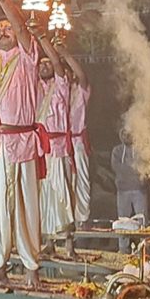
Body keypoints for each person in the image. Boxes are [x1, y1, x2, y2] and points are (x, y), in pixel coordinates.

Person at [0, 0, 45, 290]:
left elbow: (22, 28)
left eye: (6, 28)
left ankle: (32, 265)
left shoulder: (27, 54)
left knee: (25, 207)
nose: (2, 33)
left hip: (23, 141)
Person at [37, 42, 76, 257]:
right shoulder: (34, 87)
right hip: (43, 151)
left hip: (59, 150)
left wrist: (49, 46)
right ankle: (50, 244)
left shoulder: (61, 86)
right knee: (45, 199)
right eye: (41, 64)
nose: (44, 67)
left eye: (47, 64)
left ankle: (69, 245)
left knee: (63, 197)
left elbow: (59, 67)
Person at [61, 47, 91, 225]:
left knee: (82, 181)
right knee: (64, 181)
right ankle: (66, 220)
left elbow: (82, 76)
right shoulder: (56, 92)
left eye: (68, 73)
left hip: (78, 142)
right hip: (61, 144)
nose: (65, 76)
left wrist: (65, 54)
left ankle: (82, 219)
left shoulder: (80, 91)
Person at [111, 131, 149, 247]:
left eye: (128, 133)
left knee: (143, 221)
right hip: (123, 191)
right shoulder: (117, 151)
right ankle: (123, 251)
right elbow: (116, 167)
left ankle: (144, 249)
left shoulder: (141, 150)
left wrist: (134, 173)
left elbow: (146, 168)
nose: (126, 136)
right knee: (123, 223)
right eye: (123, 134)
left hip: (139, 191)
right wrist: (135, 171)